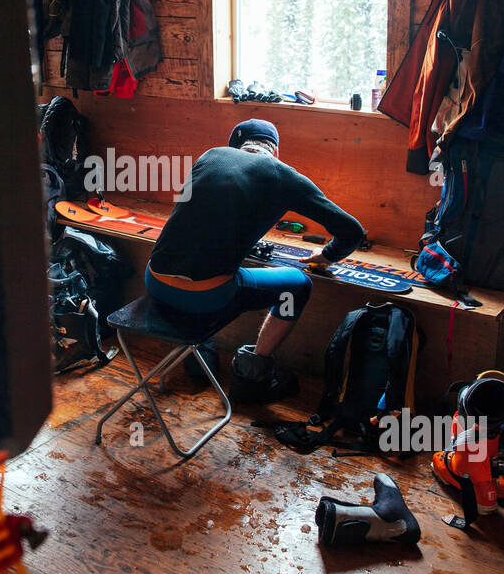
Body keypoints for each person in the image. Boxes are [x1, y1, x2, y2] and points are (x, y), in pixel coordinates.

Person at [146, 119, 365, 403]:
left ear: (234, 146)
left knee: (198, 271)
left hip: (155, 282)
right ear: (275, 151)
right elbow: (353, 232)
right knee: (298, 287)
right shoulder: (282, 175)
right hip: (208, 297)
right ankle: (251, 376)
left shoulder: (210, 156)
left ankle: (200, 360)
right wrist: (326, 255)